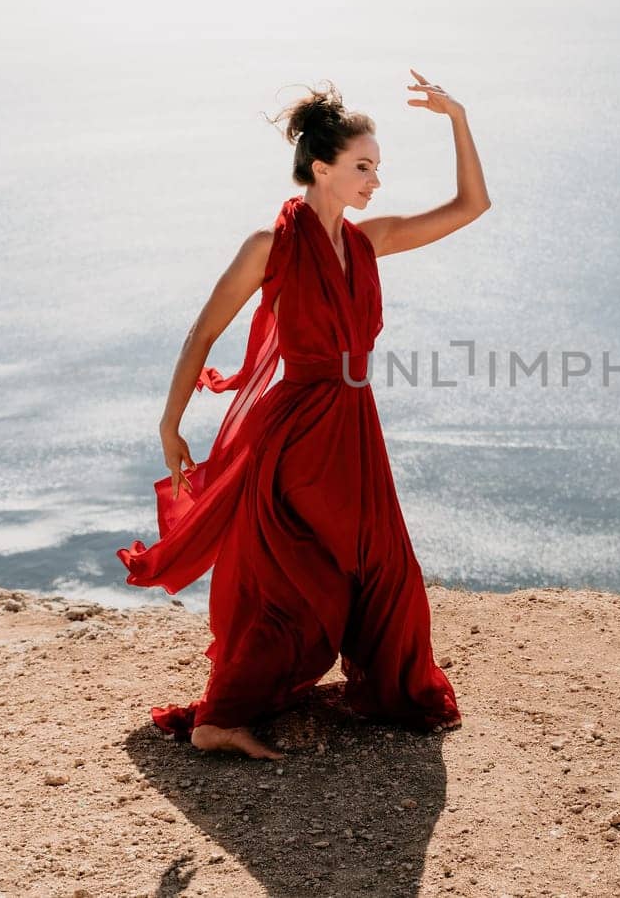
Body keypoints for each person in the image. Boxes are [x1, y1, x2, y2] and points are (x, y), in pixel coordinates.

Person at [117, 69, 490, 759]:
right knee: (296, 580)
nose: (374, 180)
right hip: (296, 436)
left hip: (355, 425)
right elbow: (202, 333)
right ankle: (220, 719)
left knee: (385, 567)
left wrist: (458, 118)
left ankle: (386, 688)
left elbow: (472, 204)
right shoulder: (271, 246)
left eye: (377, 167)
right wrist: (169, 424)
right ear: (321, 168)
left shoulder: (368, 241)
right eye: (362, 166)